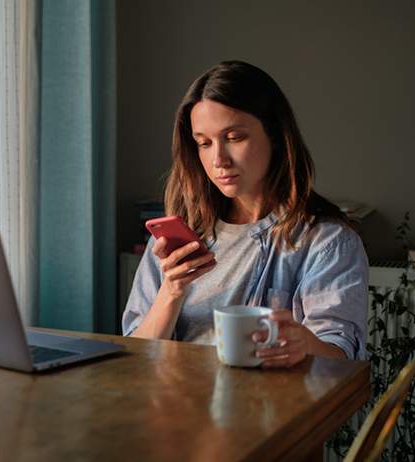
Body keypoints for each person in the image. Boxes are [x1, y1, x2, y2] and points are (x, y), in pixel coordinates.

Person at [122, 60, 368, 367]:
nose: (218, 159)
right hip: (178, 409)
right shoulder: (179, 239)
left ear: (275, 134)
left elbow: (340, 355)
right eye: (204, 143)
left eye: (234, 137)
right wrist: (171, 291)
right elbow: (136, 357)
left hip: (266, 412)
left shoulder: (326, 242)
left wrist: (304, 345)